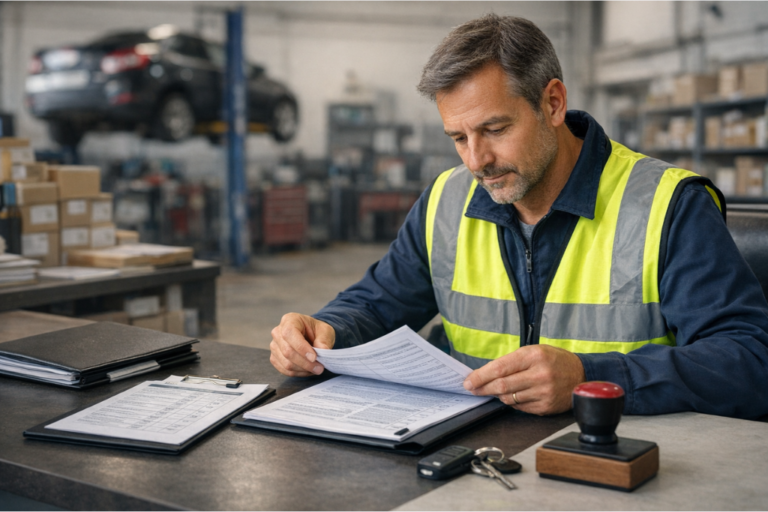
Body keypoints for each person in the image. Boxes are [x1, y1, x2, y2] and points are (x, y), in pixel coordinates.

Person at [270, 14, 768, 418]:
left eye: (494, 128)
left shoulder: (669, 206)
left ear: (552, 102)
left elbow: (749, 362)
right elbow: (377, 305)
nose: (475, 161)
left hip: (618, 465)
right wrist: (324, 330)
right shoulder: (446, 202)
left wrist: (590, 376)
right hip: (474, 458)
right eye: (459, 138)